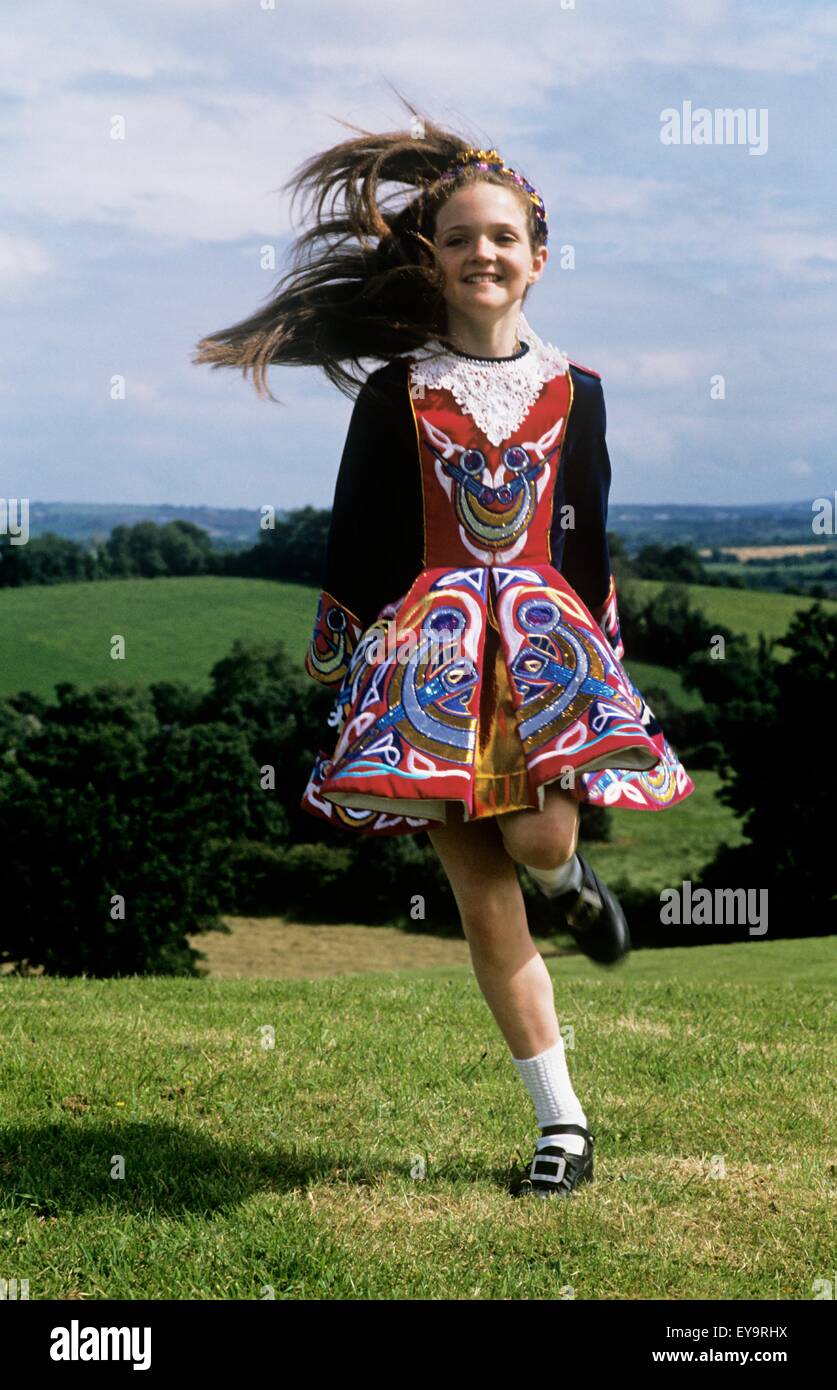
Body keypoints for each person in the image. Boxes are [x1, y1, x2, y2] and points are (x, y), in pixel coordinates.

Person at [193, 99, 695, 1199]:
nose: (484, 253)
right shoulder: (395, 393)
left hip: (541, 649)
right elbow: (360, 531)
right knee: (479, 893)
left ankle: (570, 875)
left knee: (538, 831)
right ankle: (561, 1123)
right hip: (428, 664)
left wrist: (602, 663)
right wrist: (350, 668)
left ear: (540, 259)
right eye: (462, 237)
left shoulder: (580, 392)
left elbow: (585, 529)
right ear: (434, 258)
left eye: (504, 237)